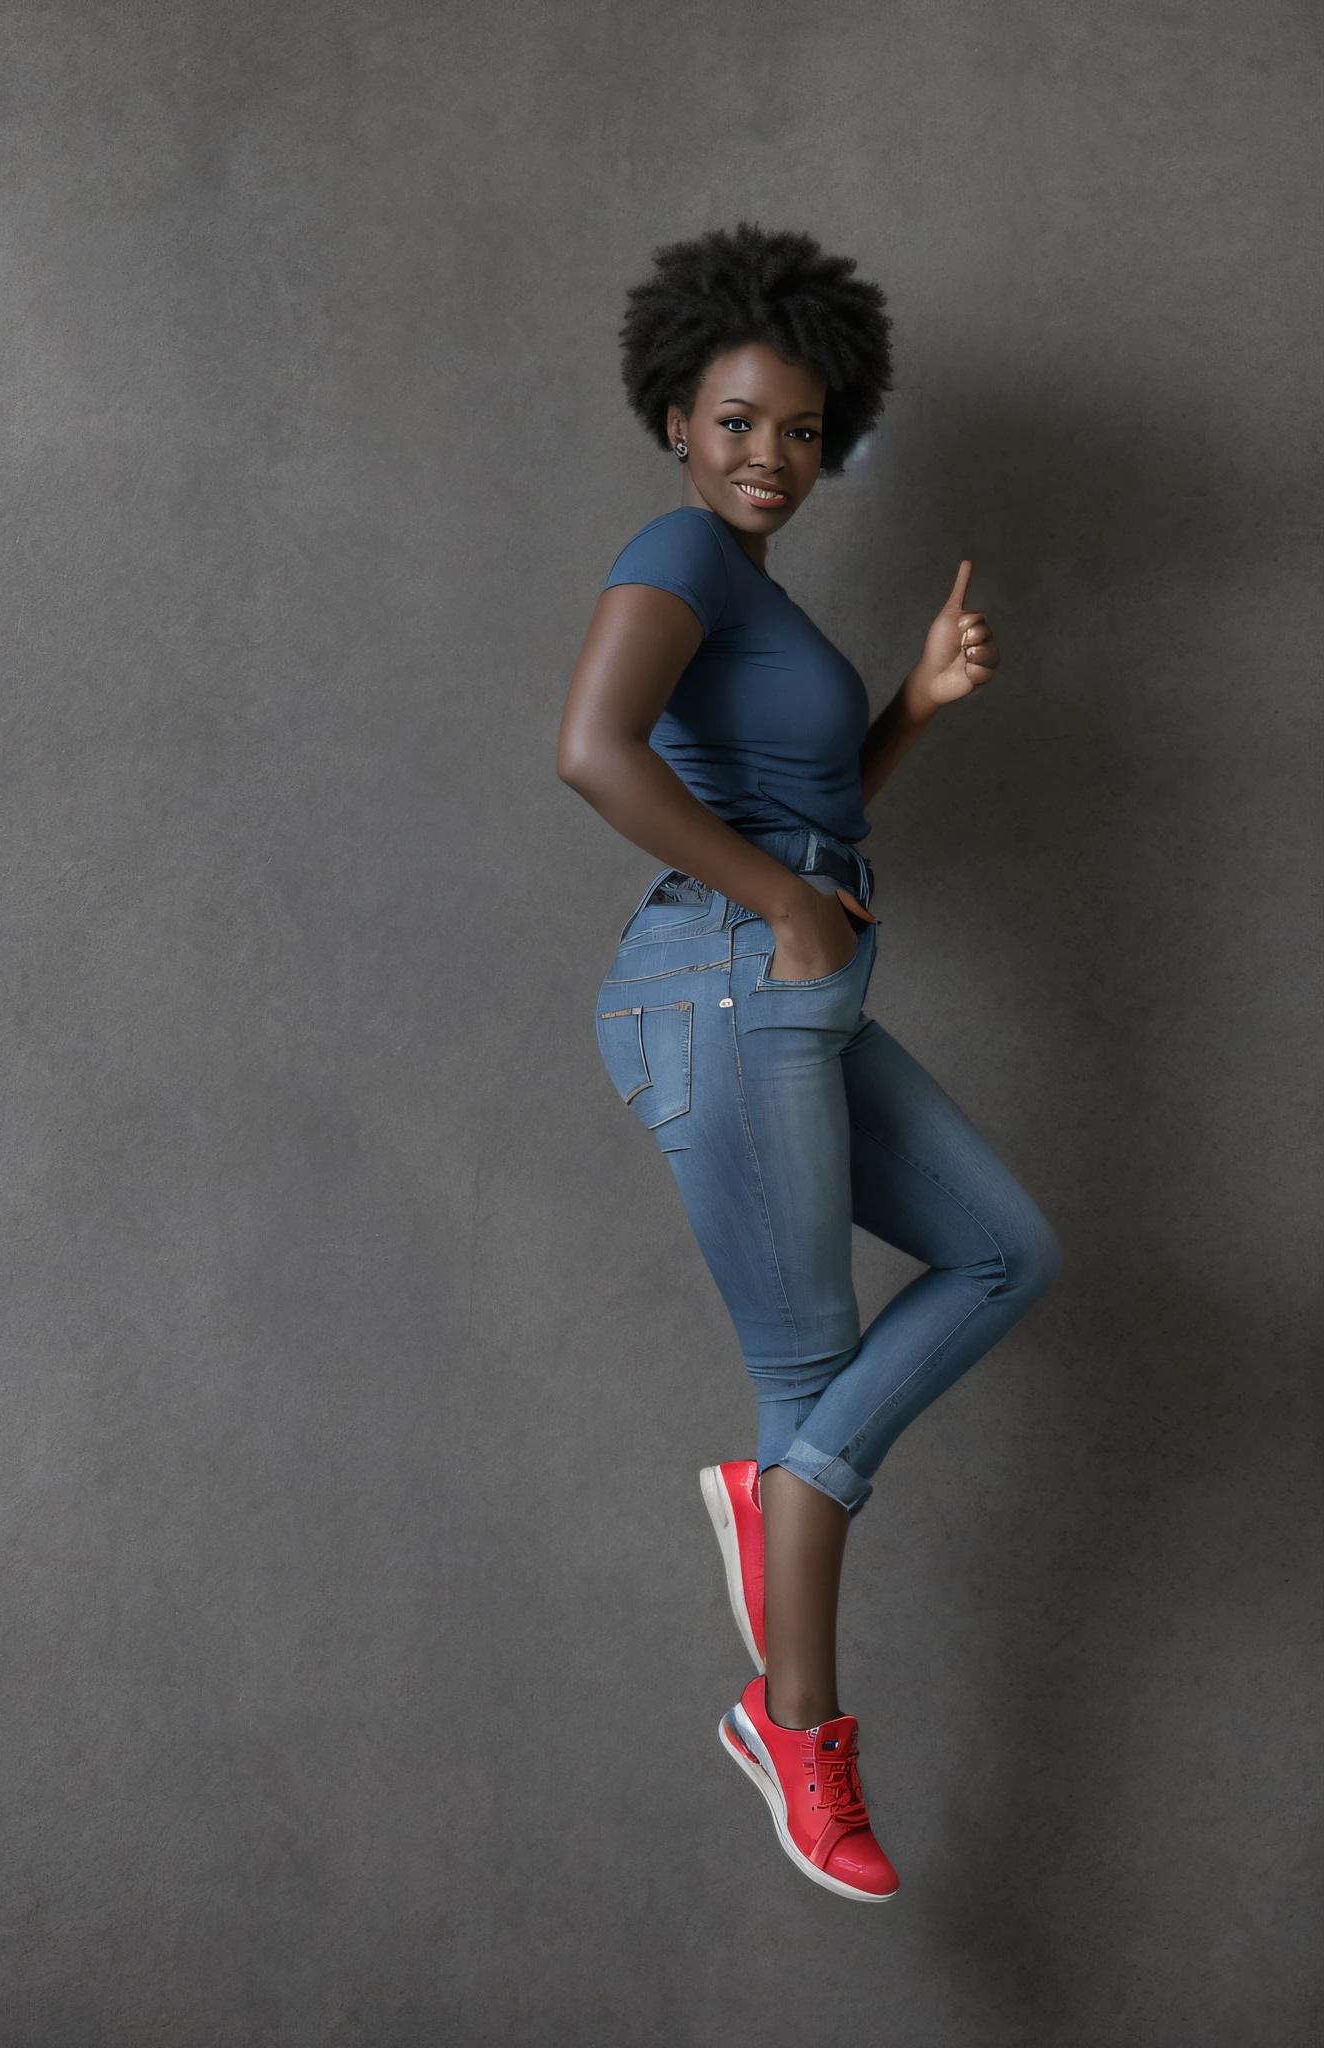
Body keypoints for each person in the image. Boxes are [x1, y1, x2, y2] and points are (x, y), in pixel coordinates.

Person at [556, 225, 1062, 1903]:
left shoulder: (758, 595)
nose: (767, 456)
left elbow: (813, 800)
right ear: (677, 421)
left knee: (1007, 1249)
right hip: (722, 984)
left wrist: (909, 704)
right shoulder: (678, 557)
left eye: (796, 428)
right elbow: (591, 750)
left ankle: (766, 1491)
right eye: (734, 422)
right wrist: (781, 903)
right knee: (809, 1386)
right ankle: (799, 1731)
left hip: (790, 986)